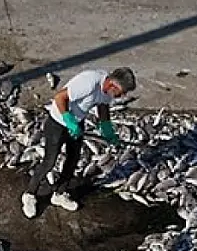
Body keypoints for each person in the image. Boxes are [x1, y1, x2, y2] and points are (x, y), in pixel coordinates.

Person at [22, 67, 136, 218]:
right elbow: (59, 98)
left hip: (77, 122)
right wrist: (69, 122)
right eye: (122, 92)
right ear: (112, 85)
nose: (123, 96)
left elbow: (103, 108)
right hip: (57, 122)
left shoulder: (107, 91)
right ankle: (29, 195)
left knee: (73, 159)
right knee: (49, 162)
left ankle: (60, 193)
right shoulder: (89, 82)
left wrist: (108, 132)